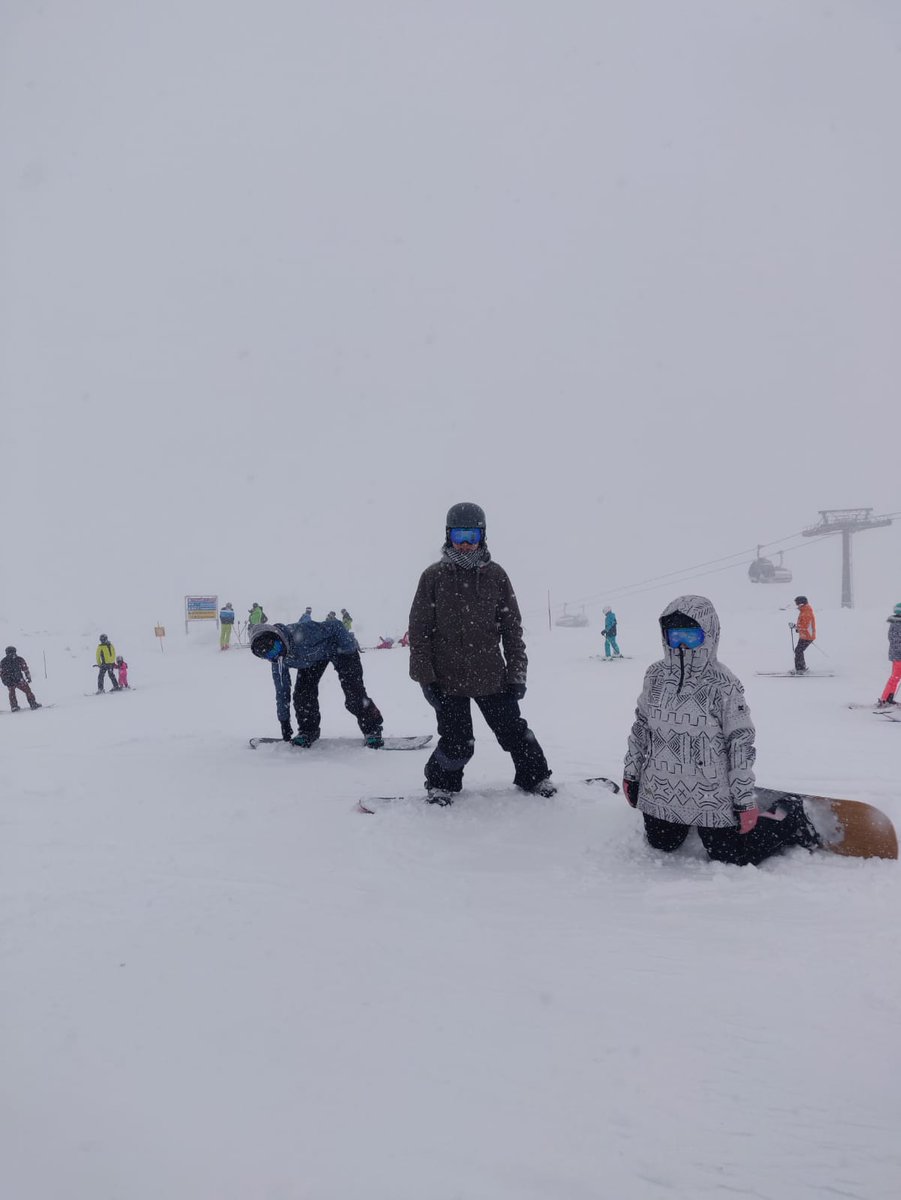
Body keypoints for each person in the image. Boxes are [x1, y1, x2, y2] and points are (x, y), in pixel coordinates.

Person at [623, 595, 819, 865]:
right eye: (674, 635)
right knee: (661, 843)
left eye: (690, 636)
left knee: (731, 855)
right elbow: (641, 725)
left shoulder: (723, 684)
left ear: (709, 635)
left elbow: (740, 743)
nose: (680, 645)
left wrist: (743, 801)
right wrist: (632, 774)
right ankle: (684, 817)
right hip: (662, 790)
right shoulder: (655, 675)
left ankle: (790, 814)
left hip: (710, 792)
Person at [408, 501, 555, 805]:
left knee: (514, 732)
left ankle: (535, 777)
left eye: (472, 536)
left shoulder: (496, 576)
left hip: (492, 677)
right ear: (448, 536)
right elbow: (419, 630)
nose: (465, 544)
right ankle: (441, 785)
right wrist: (426, 678)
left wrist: (516, 674)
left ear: (483, 537)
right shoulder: (433, 577)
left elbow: (512, 629)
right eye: (459, 535)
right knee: (458, 743)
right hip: (447, 680)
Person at [250, 615, 384, 748]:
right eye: (268, 655)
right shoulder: (278, 660)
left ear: (278, 638)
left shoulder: (302, 632)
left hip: (340, 648)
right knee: (302, 695)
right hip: (312, 659)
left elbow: (336, 626)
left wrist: (348, 652)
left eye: (276, 648)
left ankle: (372, 729)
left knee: (354, 694)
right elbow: (282, 692)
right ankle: (308, 731)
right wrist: (284, 721)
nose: (276, 655)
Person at [1, 646, 41, 711]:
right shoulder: (19, 659)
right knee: (27, 691)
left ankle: (14, 706)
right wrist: (28, 677)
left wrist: (5, 681)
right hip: (19, 679)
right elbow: (25, 668)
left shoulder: (3, 661)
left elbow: (2, 673)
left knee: (12, 693)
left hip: (10, 681)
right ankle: (33, 704)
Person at [877, 601, 901, 707]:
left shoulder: (895, 623)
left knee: (895, 677)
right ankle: (886, 699)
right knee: (895, 677)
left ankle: (887, 698)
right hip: (899, 656)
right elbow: (896, 641)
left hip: (897, 655)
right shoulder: (898, 624)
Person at [791, 595, 816, 673]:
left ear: (801, 603)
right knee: (798, 650)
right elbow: (803, 624)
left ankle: (801, 669)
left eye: (797, 603)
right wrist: (797, 628)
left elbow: (805, 625)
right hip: (805, 635)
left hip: (808, 636)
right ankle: (801, 668)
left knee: (798, 651)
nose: (796, 606)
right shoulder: (804, 610)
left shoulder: (806, 612)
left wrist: (795, 627)